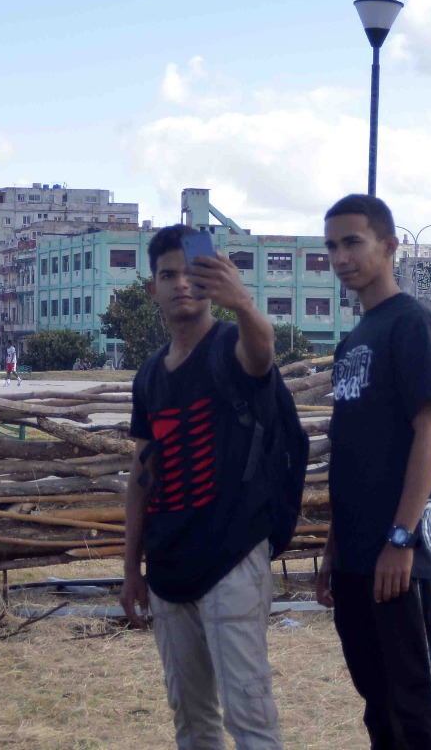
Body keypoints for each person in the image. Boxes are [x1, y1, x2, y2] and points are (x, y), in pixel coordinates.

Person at [120, 224, 288, 749]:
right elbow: (141, 476)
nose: (181, 285)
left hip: (231, 560)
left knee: (250, 718)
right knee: (192, 723)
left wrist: (244, 304)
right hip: (168, 567)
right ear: (153, 288)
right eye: (168, 275)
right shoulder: (149, 375)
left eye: (193, 273)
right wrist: (130, 569)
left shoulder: (231, 346)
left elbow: (263, 353)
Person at [316, 194, 431, 749]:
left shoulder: (413, 324)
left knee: (417, 706)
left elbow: (430, 430)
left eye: (353, 242)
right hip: (355, 553)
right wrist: (334, 548)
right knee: (378, 705)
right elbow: (353, 451)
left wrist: (401, 539)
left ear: (390, 245)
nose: (341, 257)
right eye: (332, 246)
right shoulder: (353, 340)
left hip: (398, 553)